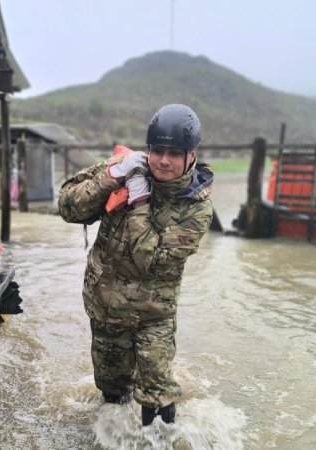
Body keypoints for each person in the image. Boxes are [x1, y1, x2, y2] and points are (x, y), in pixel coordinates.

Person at [58, 103, 213, 426]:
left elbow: (149, 261)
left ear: (191, 155)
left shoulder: (195, 209)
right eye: (157, 151)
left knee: (157, 399)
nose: (164, 160)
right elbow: (69, 208)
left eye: (174, 153)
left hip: (152, 317)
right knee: (112, 393)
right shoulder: (123, 168)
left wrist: (140, 201)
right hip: (105, 308)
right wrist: (111, 177)